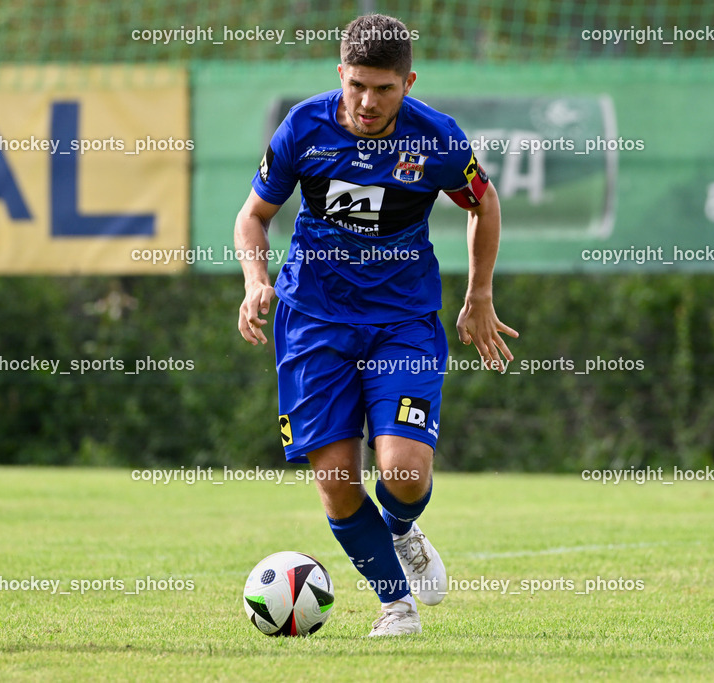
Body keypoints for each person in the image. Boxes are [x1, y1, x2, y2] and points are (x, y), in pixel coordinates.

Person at [234, 13, 517, 636]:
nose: (367, 101)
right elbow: (253, 217)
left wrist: (480, 294)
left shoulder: (436, 139)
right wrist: (258, 281)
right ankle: (397, 605)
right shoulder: (302, 128)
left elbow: (483, 201)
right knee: (337, 484)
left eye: (383, 89)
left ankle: (401, 529)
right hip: (313, 319)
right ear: (341, 74)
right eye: (357, 84)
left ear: (408, 83)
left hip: (402, 320)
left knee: (406, 473)